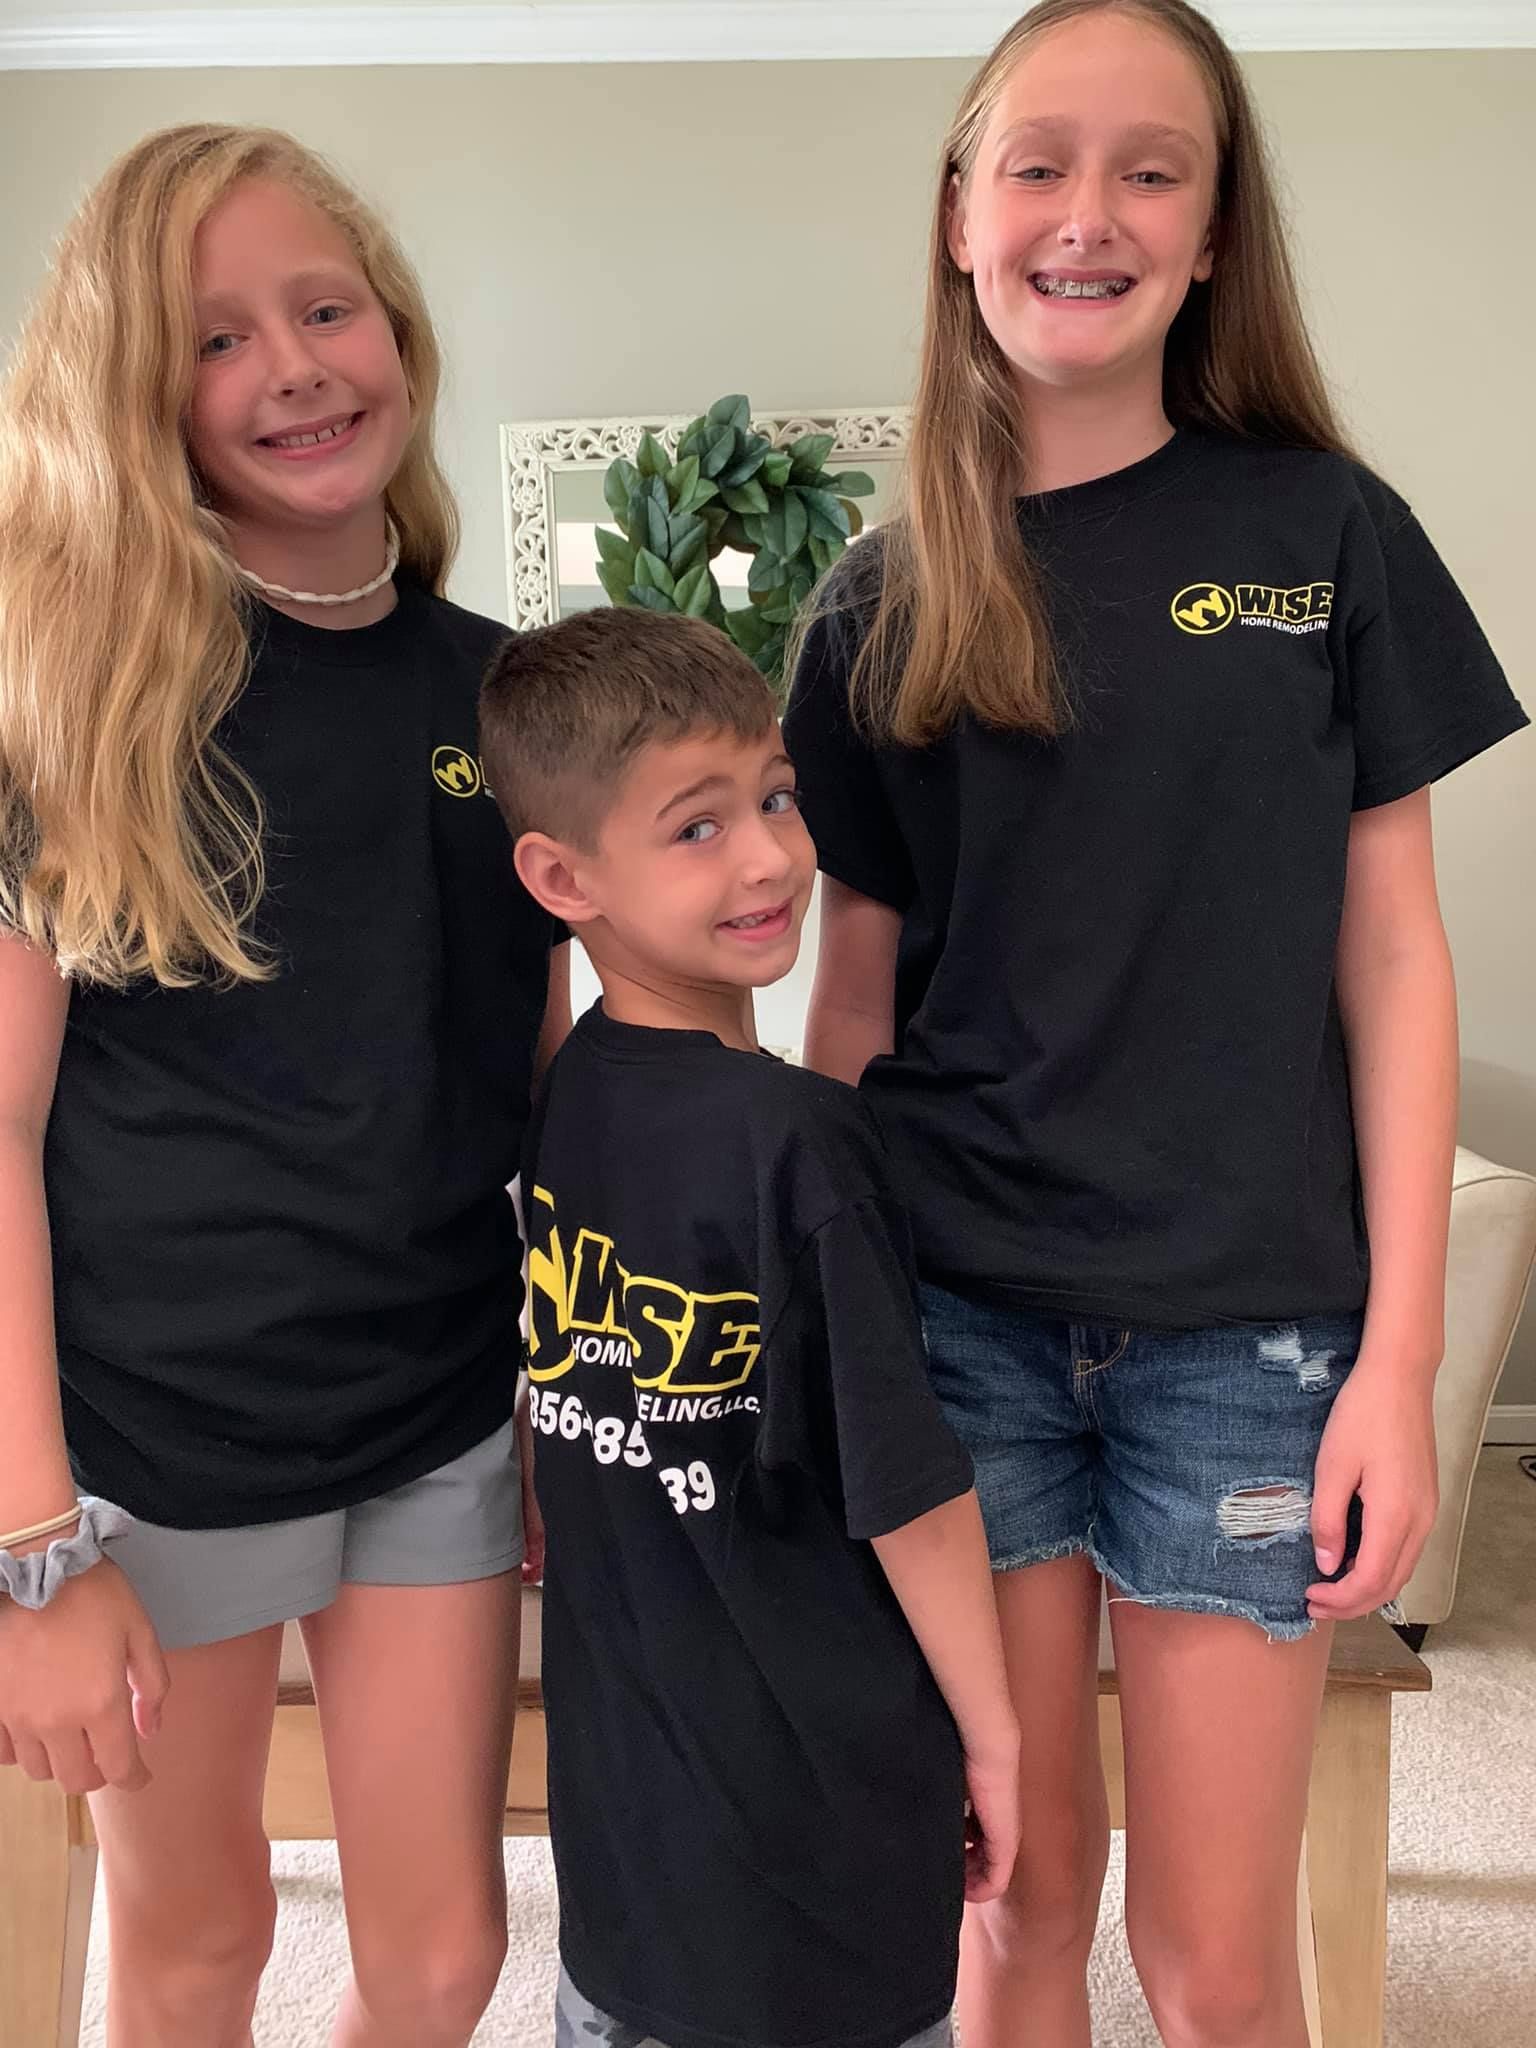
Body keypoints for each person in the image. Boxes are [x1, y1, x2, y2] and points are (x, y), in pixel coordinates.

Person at [781, 5, 1528, 2045]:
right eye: (1037, 161)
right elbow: (852, 1009)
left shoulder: (1325, 534)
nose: (1086, 213)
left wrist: (1396, 1361)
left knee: (1215, 1955)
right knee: (1016, 1908)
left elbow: (1394, 953)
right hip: (960, 1328)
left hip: (1248, 1342)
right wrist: (827, 1345)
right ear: (958, 214)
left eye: (1152, 168)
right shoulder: (877, 595)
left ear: (1214, 236)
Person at [0, 125, 567, 2048]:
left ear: (395, 334)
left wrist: (581, 1394)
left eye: (325, 309)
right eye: (218, 338)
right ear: (133, 394)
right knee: (199, 1941)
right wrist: (35, 1548)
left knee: (441, 1961)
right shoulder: (63, 703)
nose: (293, 366)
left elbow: (549, 1073)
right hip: (162, 1448)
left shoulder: (507, 698)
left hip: (440, 1415)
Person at [477, 604, 1021, 2048]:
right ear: (560, 875)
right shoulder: (801, 1143)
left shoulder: (569, 1100)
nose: (772, 855)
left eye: (776, 797)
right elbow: (910, 1496)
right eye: (697, 828)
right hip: (819, 1849)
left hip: (629, 1875)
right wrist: (1005, 1737)